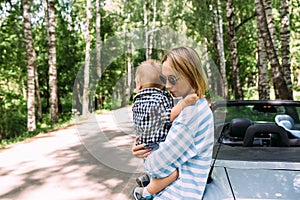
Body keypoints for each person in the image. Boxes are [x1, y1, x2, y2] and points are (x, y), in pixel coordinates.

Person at [132, 47, 214, 200]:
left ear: (190, 75)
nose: (167, 86)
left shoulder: (190, 115)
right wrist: (142, 148)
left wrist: (145, 155)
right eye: (164, 79)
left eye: (173, 79)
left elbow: (156, 167)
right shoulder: (194, 107)